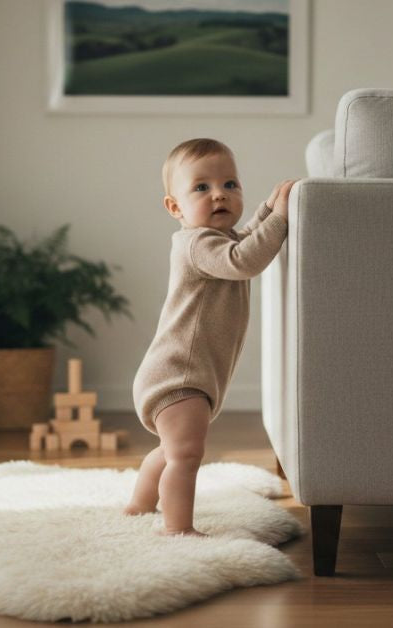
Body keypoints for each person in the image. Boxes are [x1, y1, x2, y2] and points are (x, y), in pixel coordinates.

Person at [124, 137, 297, 537]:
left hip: (179, 375)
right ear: (175, 207)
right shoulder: (197, 243)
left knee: (170, 452)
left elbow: (246, 238)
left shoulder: (219, 238)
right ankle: (178, 528)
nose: (219, 194)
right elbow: (245, 260)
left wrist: (267, 211)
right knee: (185, 455)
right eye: (201, 188)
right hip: (177, 377)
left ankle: (139, 504)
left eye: (230, 184)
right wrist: (280, 220)